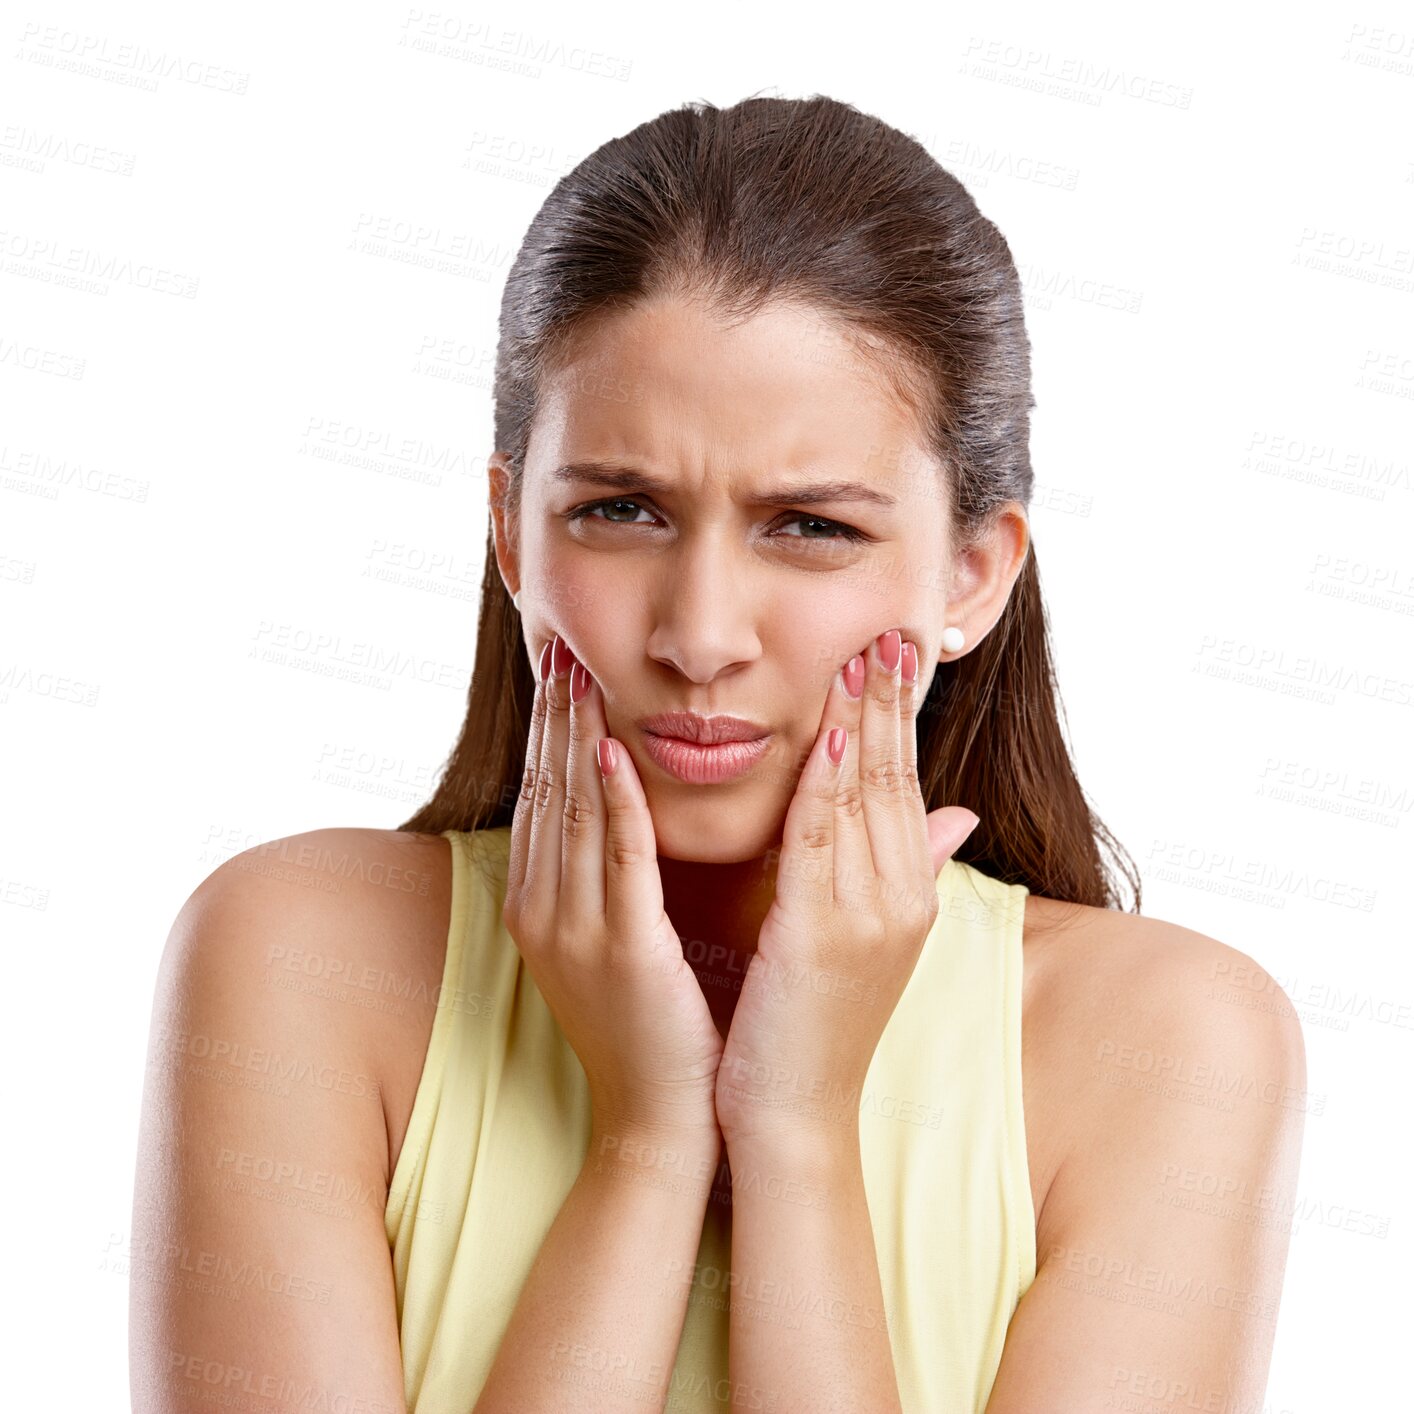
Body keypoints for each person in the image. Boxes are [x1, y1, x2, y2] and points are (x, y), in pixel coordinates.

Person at [130, 95, 1306, 1413]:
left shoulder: (1167, 1042)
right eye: (620, 509)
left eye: (807, 525)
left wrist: (796, 1128)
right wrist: (646, 1137)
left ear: (971, 575)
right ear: (512, 536)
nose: (697, 635)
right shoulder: (302, 953)